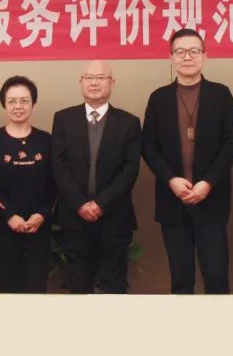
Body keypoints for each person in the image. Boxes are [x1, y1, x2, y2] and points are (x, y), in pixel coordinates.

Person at [142, 28, 233, 294]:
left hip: (212, 199)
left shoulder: (221, 94)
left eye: (194, 51)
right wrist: (171, 180)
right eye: (181, 52)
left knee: (216, 276)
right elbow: (148, 146)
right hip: (173, 201)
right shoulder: (159, 98)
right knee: (181, 279)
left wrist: (208, 182)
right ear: (171, 57)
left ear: (205, 57)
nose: (187, 57)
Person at [50, 60, 142, 294]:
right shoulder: (63, 119)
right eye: (89, 77)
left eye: (101, 77)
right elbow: (59, 166)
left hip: (114, 217)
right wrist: (80, 204)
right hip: (74, 217)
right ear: (80, 82)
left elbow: (130, 170)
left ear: (112, 82)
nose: (94, 83)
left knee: (114, 285)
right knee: (78, 286)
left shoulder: (129, 123)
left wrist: (101, 203)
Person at [0, 76, 55, 293]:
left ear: (33, 105)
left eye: (24, 101)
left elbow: (54, 183)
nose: (18, 106)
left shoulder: (46, 140)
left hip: (38, 227)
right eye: (12, 101)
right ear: (4, 105)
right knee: (8, 288)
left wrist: (42, 214)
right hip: (3, 227)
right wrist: (10, 215)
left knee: (36, 287)